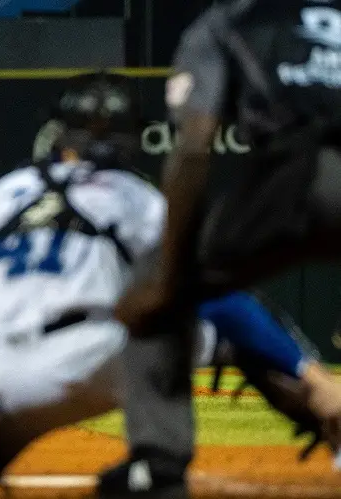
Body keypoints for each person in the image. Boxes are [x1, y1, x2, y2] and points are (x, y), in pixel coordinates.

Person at [0, 72, 340, 499]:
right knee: (203, 313)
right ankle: (158, 466)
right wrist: (308, 371)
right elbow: (211, 293)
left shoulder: (7, 191)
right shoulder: (133, 195)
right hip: (85, 362)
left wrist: (8, 338)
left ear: (58, 131)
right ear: (130, 135)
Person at [102, 1, 341, 496]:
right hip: (303, 172)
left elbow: (193, 147)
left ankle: (159, 467)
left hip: (300, 178)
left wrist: (172, 270)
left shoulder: (229, 22)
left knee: (153, 295)